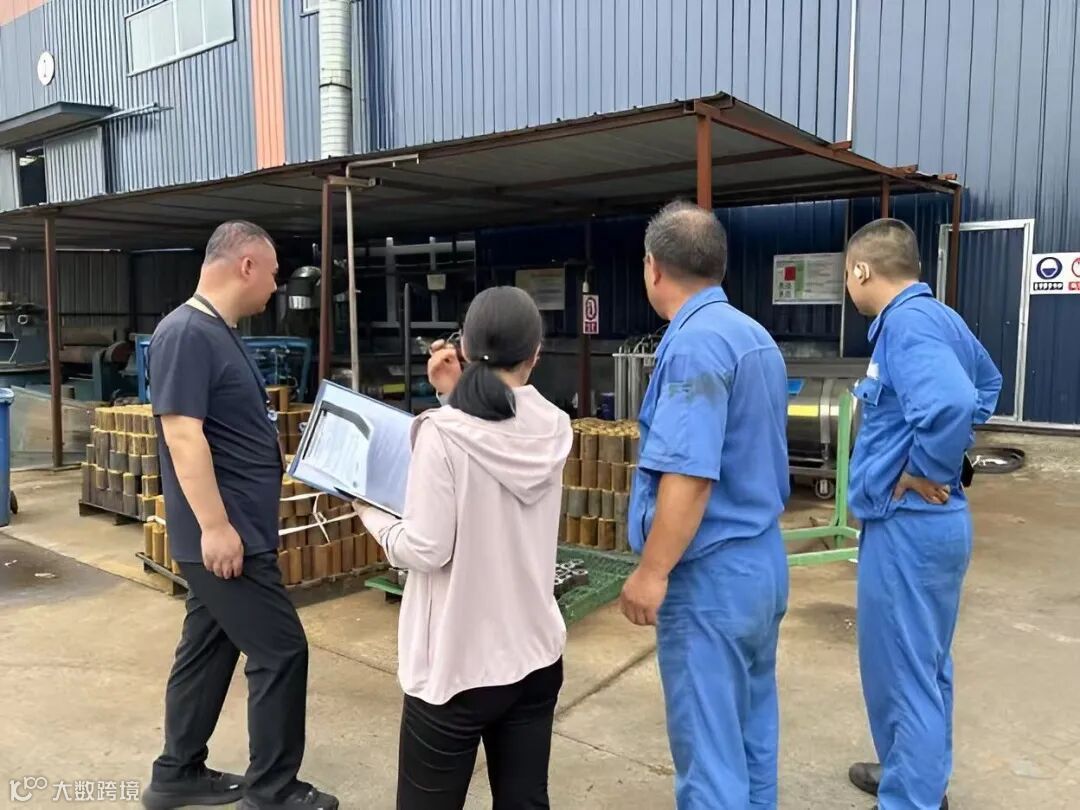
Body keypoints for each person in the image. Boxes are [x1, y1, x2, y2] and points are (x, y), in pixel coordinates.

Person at [141, 221, 337, 810]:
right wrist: (216, 527)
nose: (277, 286)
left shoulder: (217, 333)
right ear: (246, 266)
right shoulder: (186, 333)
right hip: (229, 538)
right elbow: (183, 435)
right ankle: (272, 790)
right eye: (273, 274)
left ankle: (176, 773)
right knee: (282, 652)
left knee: (209, 649)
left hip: (239, 531)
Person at [356, 286, 572, 810]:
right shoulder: (554, 427)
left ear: (466, 348)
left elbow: (426, 548)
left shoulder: (443, 434)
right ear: (536, 353)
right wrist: (453, 394)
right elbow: (497, 426)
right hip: (534, 656)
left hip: (458, 667)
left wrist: (371, 513)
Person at [619, 201, 791, 809]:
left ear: (653, 267)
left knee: (711, 755)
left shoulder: (693, 346)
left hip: (711, 575)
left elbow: (690, 476)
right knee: (750, 729)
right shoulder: (753, 336)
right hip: (760, 563)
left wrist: (652, 571)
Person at [843, 219, 1002, 810]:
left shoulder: (907, 325)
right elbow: (987, 384)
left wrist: (926, 468)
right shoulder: (940, 318)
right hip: (931, 526)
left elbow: (956, 401)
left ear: (862, 270)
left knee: (903, 670)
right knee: (924, 664)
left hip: (908, 523)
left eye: (848, 273)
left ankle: (911, 798)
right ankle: (914, 776)